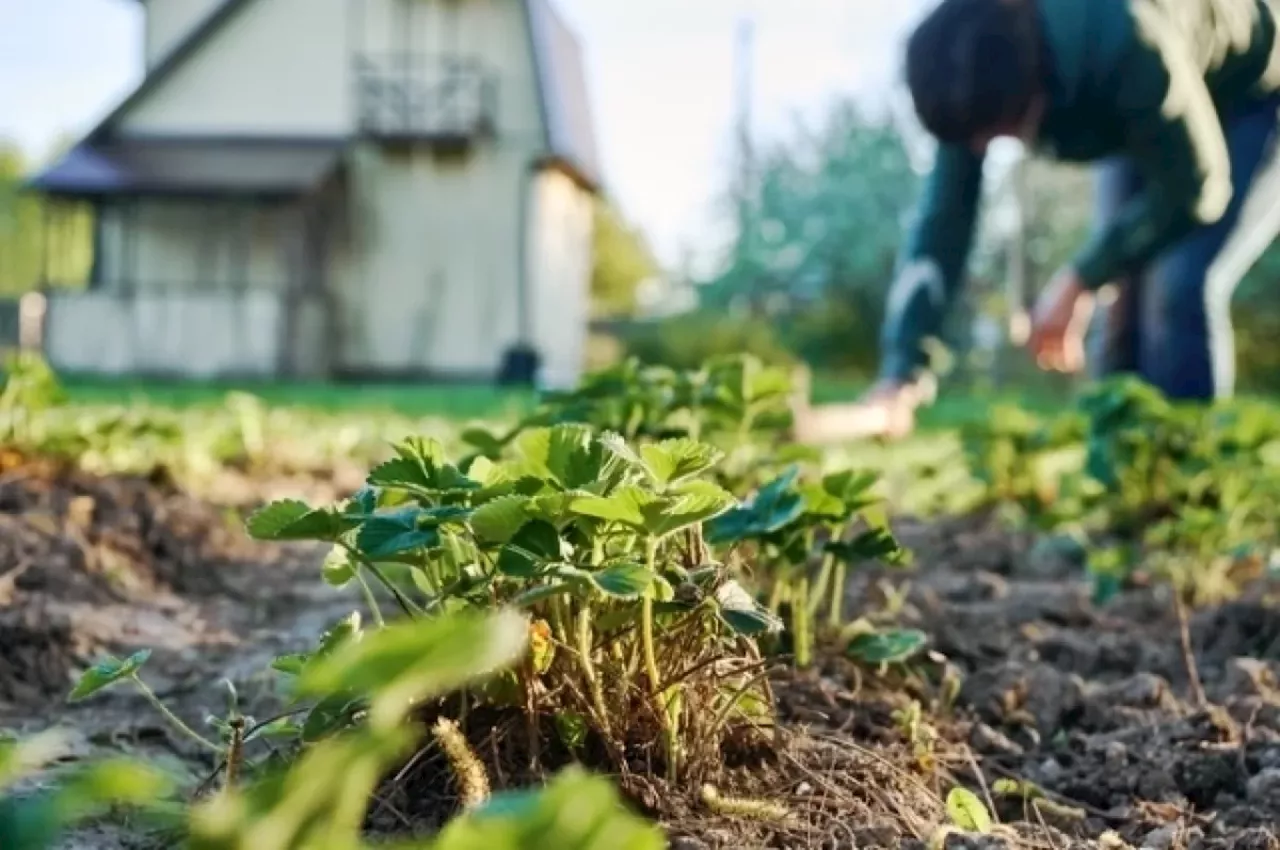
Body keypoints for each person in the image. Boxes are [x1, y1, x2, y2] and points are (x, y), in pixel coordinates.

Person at [793, 0, 1280, 443]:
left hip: (1253, 95)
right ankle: (1124, 485)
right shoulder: (968, 75)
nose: (984, 149)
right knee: (1122, 300)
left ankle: (1192, 484)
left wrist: (1079, 279)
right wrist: (903, 370)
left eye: (996, 135)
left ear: (1034, 83)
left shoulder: (1123, 38)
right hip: (1149, 102)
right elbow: (944, 223)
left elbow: (1197, 188)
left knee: (1178, 284)